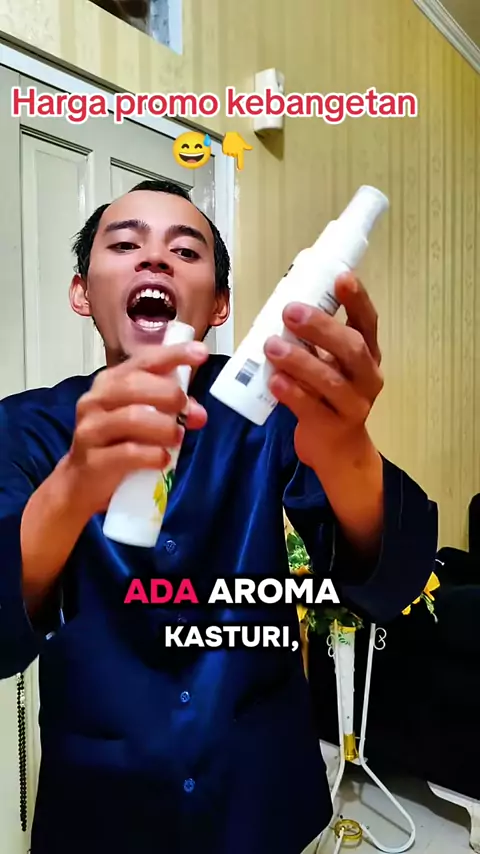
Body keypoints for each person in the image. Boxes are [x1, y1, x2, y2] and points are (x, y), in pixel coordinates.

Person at [0, 179, 437, 854]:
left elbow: (390, 582)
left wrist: (346, 451)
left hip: (264, 802)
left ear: (220, 304)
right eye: (125, 244)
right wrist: (73, 488)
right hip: (98, 815)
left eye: (185, 250)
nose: (155, 258)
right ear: (81, 292)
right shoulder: (26, 426)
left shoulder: (272, 409)